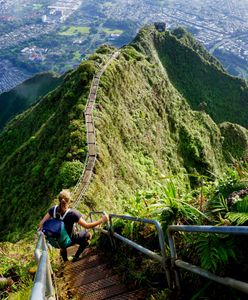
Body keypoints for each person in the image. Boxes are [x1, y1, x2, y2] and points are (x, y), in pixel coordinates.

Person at [38, 189, 108, 262]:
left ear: (59, 200)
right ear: (69, 201)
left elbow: (41, 224)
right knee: (87, 235)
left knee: (62, 243)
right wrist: (102, 220)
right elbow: (87, 226)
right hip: (71, 240)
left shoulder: (53, 210)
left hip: (58, 242)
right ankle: (76, 257)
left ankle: (65, 262)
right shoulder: (73, 214)